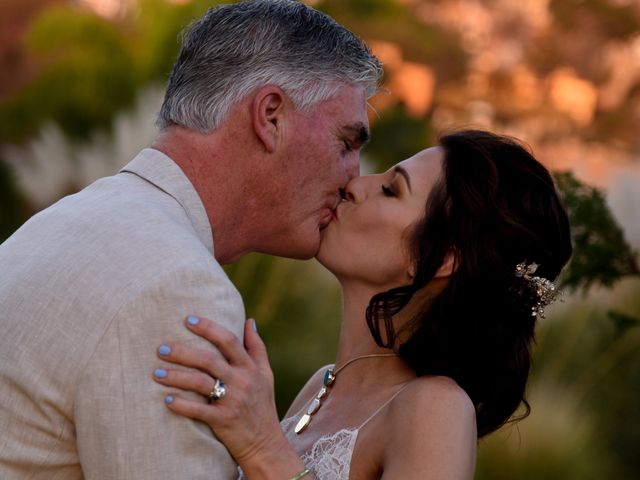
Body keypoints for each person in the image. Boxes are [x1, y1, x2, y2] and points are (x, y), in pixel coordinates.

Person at [0, 1, 382, 478]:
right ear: (270, 116)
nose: (353, 179)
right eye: (347, 143)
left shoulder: (70, 221)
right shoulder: (176, 285)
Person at [152, 130, 573, 479]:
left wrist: (262, 448)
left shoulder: (435, 407)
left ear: (440, 258)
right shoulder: (322, 385)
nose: (354, 186)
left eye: (390, 190)